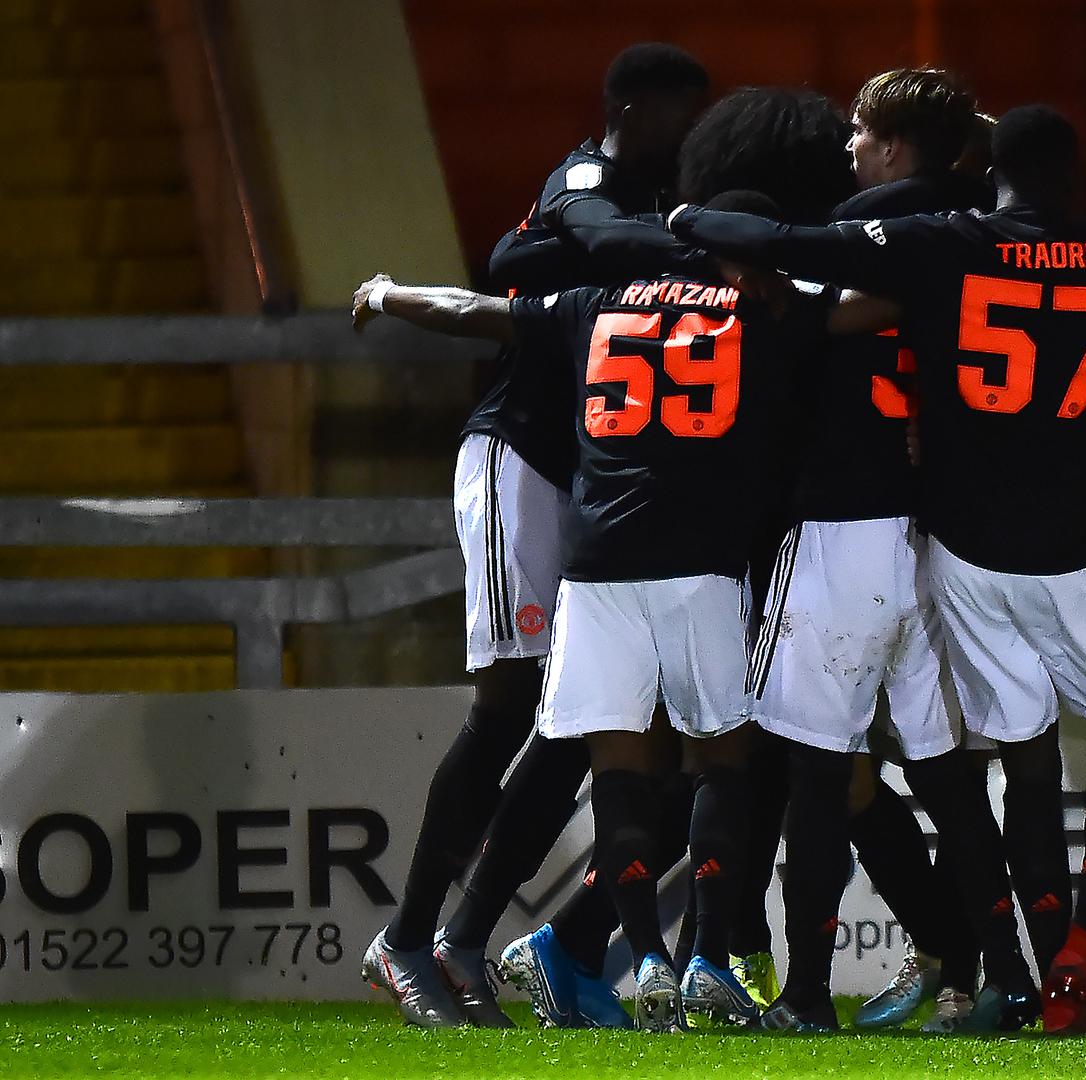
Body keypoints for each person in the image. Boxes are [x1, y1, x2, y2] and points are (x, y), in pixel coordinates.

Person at [667, 103, 1086, 1036]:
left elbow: (800, 278)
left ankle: (812, 993)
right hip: (1019, 538)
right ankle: (1047, 965)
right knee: (1016, 768)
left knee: (838, 771)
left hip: (911, 539)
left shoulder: (933, 248)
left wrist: (688, 223)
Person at [353, 187, 852, 1032]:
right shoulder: (761, 311)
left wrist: (388, 293)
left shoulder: (593, 304)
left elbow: (472, 311)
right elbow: (863, 312)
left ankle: (645, 962)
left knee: (617, 773)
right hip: (702, 567)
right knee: (723, 766)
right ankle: (703, 963)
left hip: (596, 573)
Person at [356, 42, 710, 1030]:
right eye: (680, 111)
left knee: (574, 720)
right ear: (632, 109)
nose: (689, 131)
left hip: (593, 476)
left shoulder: (646, 195)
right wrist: (693, 243)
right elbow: (582, 239)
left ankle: (466, 939)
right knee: (514, 702)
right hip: (523, 458)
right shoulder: (589, 179)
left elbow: (533, 259)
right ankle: (408, 938)